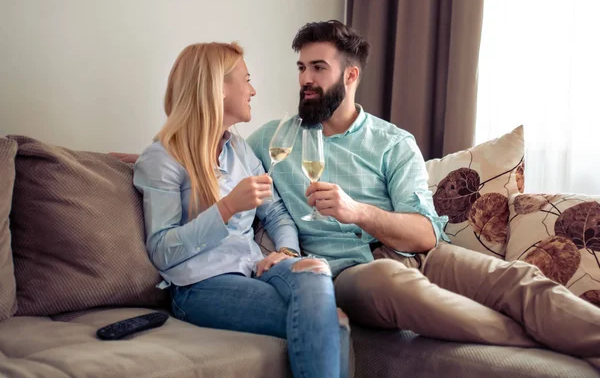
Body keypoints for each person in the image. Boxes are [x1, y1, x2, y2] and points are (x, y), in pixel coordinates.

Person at [245, 20, 600, 369]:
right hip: (351, 273)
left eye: (319, 68)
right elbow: (221, 167)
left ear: (350, 76)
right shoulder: (274, 139)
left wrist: (358, 212)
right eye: (302, 67)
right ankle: (545, 344)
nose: (306, 78)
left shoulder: (392, 142)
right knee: (394, 283)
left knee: (517, 280)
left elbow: (426, 235)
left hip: (423, 257)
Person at [131, 42, 350, 378]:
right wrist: (228, 207)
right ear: (218, 87)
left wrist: (286, 250)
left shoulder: (239, 150)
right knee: (330, 319)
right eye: (245, 80)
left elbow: (275, 214)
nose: (253, 90)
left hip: (252, 267)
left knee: (314, 268)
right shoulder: (162, 158)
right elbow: (162, 251)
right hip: (199, 286)